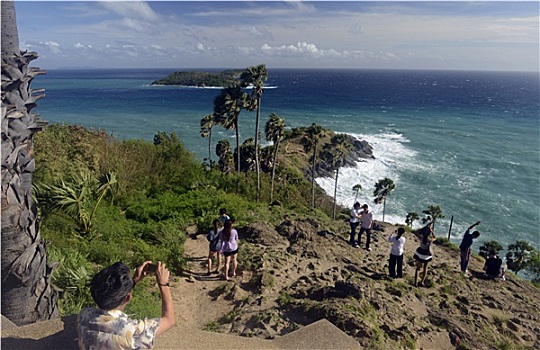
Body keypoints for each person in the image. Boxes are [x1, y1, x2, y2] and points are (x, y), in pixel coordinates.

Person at [78, 261, 175, 349]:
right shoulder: (134, 332)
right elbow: (169, 319)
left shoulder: (84, 315)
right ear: (128, 297)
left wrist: (132, 282)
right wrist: (163, 284)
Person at [413, 222, 436, 287]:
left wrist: (423, 228)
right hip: (426, 255)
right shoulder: (430, 240)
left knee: (417, 268)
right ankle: (422, 282)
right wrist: (432, 231)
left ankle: (415, 282)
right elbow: (435, 238)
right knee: (425, 268)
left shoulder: (421, 238)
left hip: (420, 253)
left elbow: (416, 232)